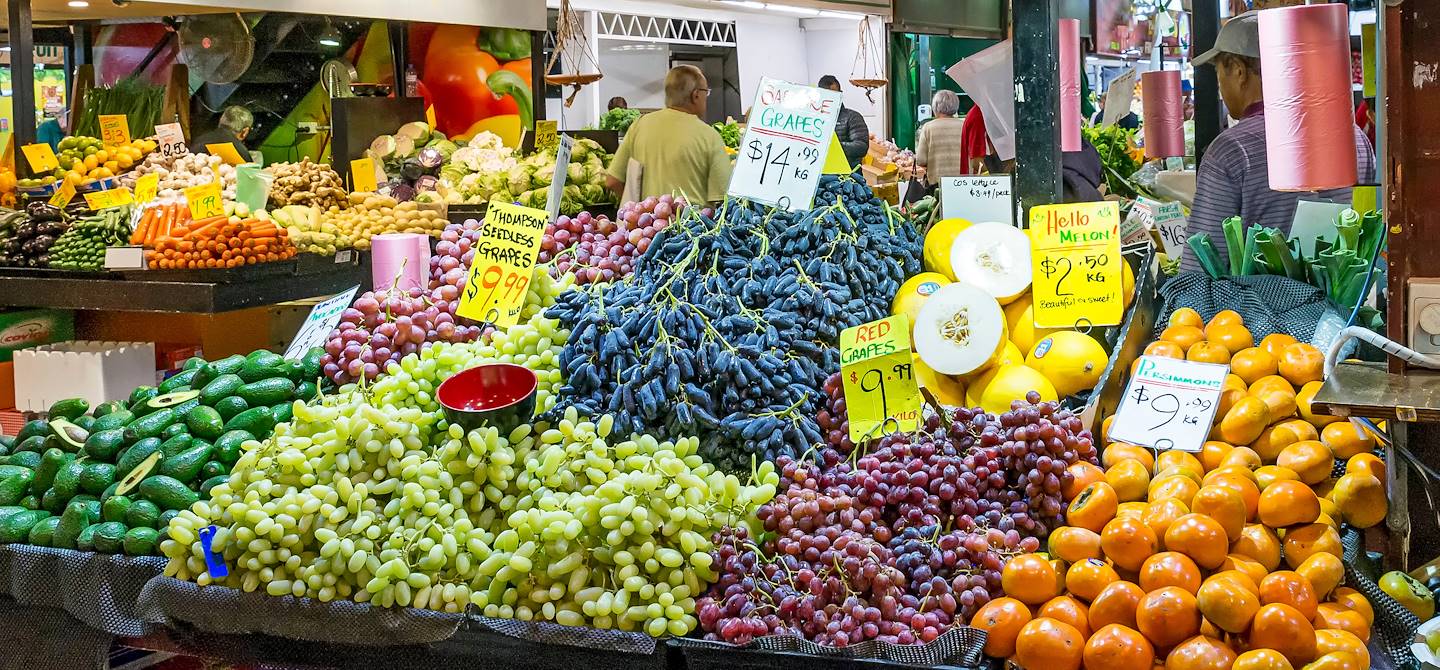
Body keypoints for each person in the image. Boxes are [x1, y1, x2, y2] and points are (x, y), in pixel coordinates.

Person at [1181, 11, 1376, 274]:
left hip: (1258, 312)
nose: (1220, 87)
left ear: (1238, 71)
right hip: (1342, 312)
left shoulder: (1230, 151)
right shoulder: (1355, 138)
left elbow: (1199, 267)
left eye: (1220, 74)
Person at [605, 65, 731, 203]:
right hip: (692, 223)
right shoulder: (709, 136)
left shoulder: (640, 125)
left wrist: (637, 208)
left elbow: (612, 181)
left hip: (647, 222)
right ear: (696, 95)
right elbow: (723, 199)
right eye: (706, 92)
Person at [915, 90, 966, 188]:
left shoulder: (928, 127)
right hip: (963, 182)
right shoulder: (965, 126)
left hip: (937, 183)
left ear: (935, 107)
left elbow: (921, 160)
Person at [818, 75, 868, 168]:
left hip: (847, 175)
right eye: (826, 95)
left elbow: (861, 147)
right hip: (821, 174)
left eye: (834, 95)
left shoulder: (852, 117)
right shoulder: (816, 119)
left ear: (840, 94)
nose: (830, 99)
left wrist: (834, 147)